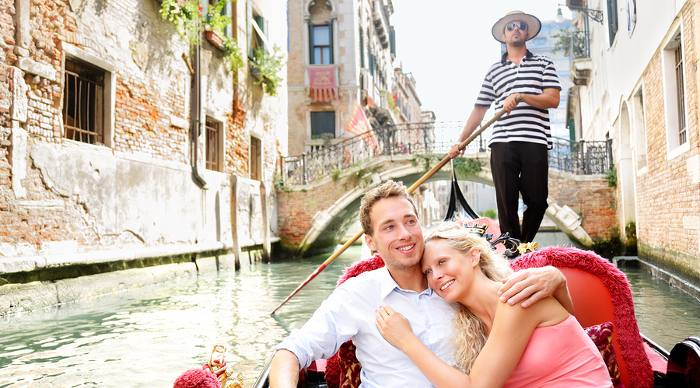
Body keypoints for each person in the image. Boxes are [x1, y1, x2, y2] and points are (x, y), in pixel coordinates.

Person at [269, 180, 573, 387]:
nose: (404, 233)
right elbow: (292, 351)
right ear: (371, 243)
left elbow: (553, 328)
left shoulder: (457, 285)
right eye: (389, 227)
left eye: (410, 221)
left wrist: (557, 281)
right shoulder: (358, 294)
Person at [375, 222, 612, 387]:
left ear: (474, 256)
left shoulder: (515, 298)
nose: (435, 276)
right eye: (428, 271)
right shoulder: (470, 326)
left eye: (442, 262)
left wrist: (406, 341)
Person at [448, 10, 561, 243]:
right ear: (504, 35)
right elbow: (479, 110)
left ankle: (525, 244)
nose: (515, 29)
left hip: (535, 140)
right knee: (506, 201)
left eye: (520, 25)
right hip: (502, 142)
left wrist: (521, 96)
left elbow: (552, 99)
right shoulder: (493, 71)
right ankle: (512, 249)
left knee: (538, 200)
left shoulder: (544, 64)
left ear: (527, 32)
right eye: (510, 27)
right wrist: (460, 142)